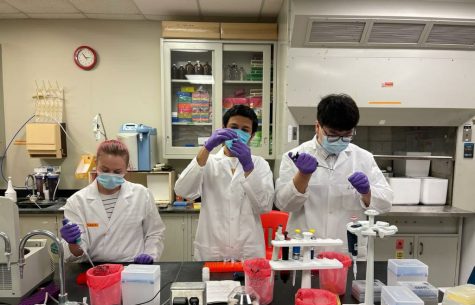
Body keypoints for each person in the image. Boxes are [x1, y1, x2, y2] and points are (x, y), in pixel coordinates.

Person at [275, 94, 392, 256]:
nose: (340, 140)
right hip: (305, 250)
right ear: (317, 126)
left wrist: (367, 192)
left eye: (347, 135)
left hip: (347, 249)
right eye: (333, 134)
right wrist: (302, 176)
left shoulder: (363, 158)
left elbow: (386, 203)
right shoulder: (294, 156)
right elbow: (284, 204)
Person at [175, 105, 274, 261]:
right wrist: (206, 148)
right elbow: (183, 191)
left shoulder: (260, 164)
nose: (238, 132)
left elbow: (265, 206)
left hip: (248, 252)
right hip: (212, 249)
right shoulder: (208, 161)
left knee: (248, 286)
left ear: (252, 135)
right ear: (223, 130)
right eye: (233, 127)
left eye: (245, 129)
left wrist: (248, 167)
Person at [60, 140, 165, 263]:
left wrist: (149, 255)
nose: (110, 175)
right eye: (105, 170)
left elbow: (155, 233)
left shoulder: (142, 195)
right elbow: (77, 252)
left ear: (126, 169)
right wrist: (72, 243)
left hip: (132, 267)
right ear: (96, 165)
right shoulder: (77, 202)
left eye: (117, 172)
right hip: (94, 268)